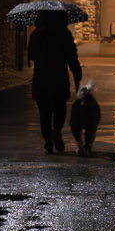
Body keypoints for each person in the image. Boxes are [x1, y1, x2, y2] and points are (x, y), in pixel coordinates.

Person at [26, 11, 82, 153]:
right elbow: (72, 57)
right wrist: (77, 75)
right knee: (59, 108)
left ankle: (48, 141)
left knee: (44, 112)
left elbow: (31, 55)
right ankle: (57, 130)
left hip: (41, 77)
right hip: (59, 77)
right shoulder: (64, 34)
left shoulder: (36, 34)